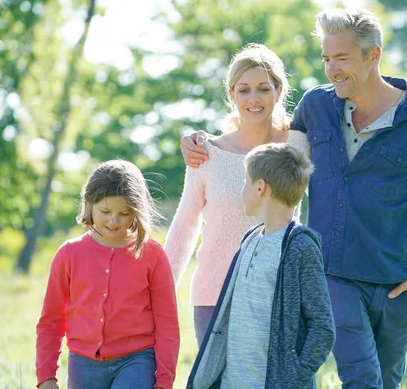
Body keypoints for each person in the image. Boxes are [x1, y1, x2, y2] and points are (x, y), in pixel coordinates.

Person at [181, 8, 407, 389]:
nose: (331, 70)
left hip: (399, 274)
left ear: (374, 54)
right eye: (326, 58)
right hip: (333, 271)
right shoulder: (316, 107)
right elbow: (273, 150)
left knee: (388, 379)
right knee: (362, 378)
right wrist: (204, 141)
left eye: (342, 58)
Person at [163, 43, 311, 347]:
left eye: (263, 89)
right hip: (213, 296)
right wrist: (161, 291)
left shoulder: (299, 146)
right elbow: (185, 224)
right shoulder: (206, 153)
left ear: (279, 91)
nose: (253, 99)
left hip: (278, 292)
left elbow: (342, 186)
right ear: (231, 95)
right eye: (243, 90)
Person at [187, 143, 335, 389]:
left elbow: (322, 328)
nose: (242, 189)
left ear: (260, 187)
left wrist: (293, 379)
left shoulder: (299, 247)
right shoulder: (250, 238)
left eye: (246, 181)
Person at [36, 160, 180, 389]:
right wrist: (46, 376)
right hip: (83, 365)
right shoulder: (68, 254)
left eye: (124, 213)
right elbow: (51, 321)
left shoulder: (152, 254)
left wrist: (164, 381)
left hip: (137, 360)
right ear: (89, 204)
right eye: (105, 211)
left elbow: (167, 323)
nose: (113, 221)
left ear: (137, 211)